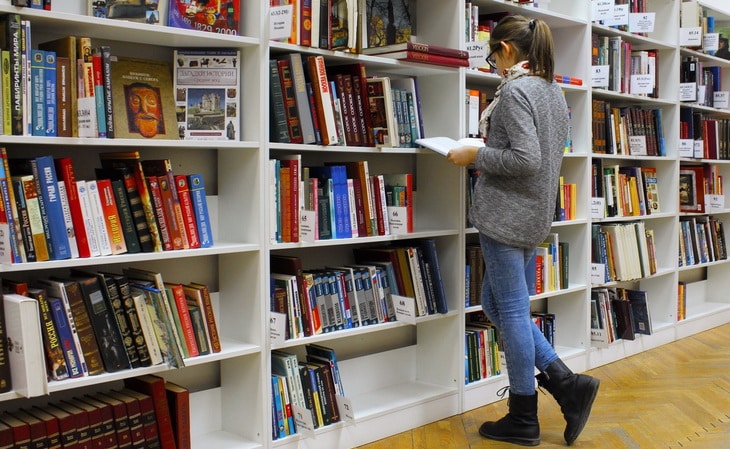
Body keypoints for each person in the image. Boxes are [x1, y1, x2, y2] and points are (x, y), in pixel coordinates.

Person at [446, 15, 600, 447]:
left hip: (506, 215)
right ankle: (565, 381)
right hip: (533, 214)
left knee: (510, 310)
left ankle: (523, 416)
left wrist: (474, 154)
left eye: (493, 54)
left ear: (507, 51)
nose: (492, 63)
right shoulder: (551, 90)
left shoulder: (514, 91)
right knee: (494, 302)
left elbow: (525, 160)